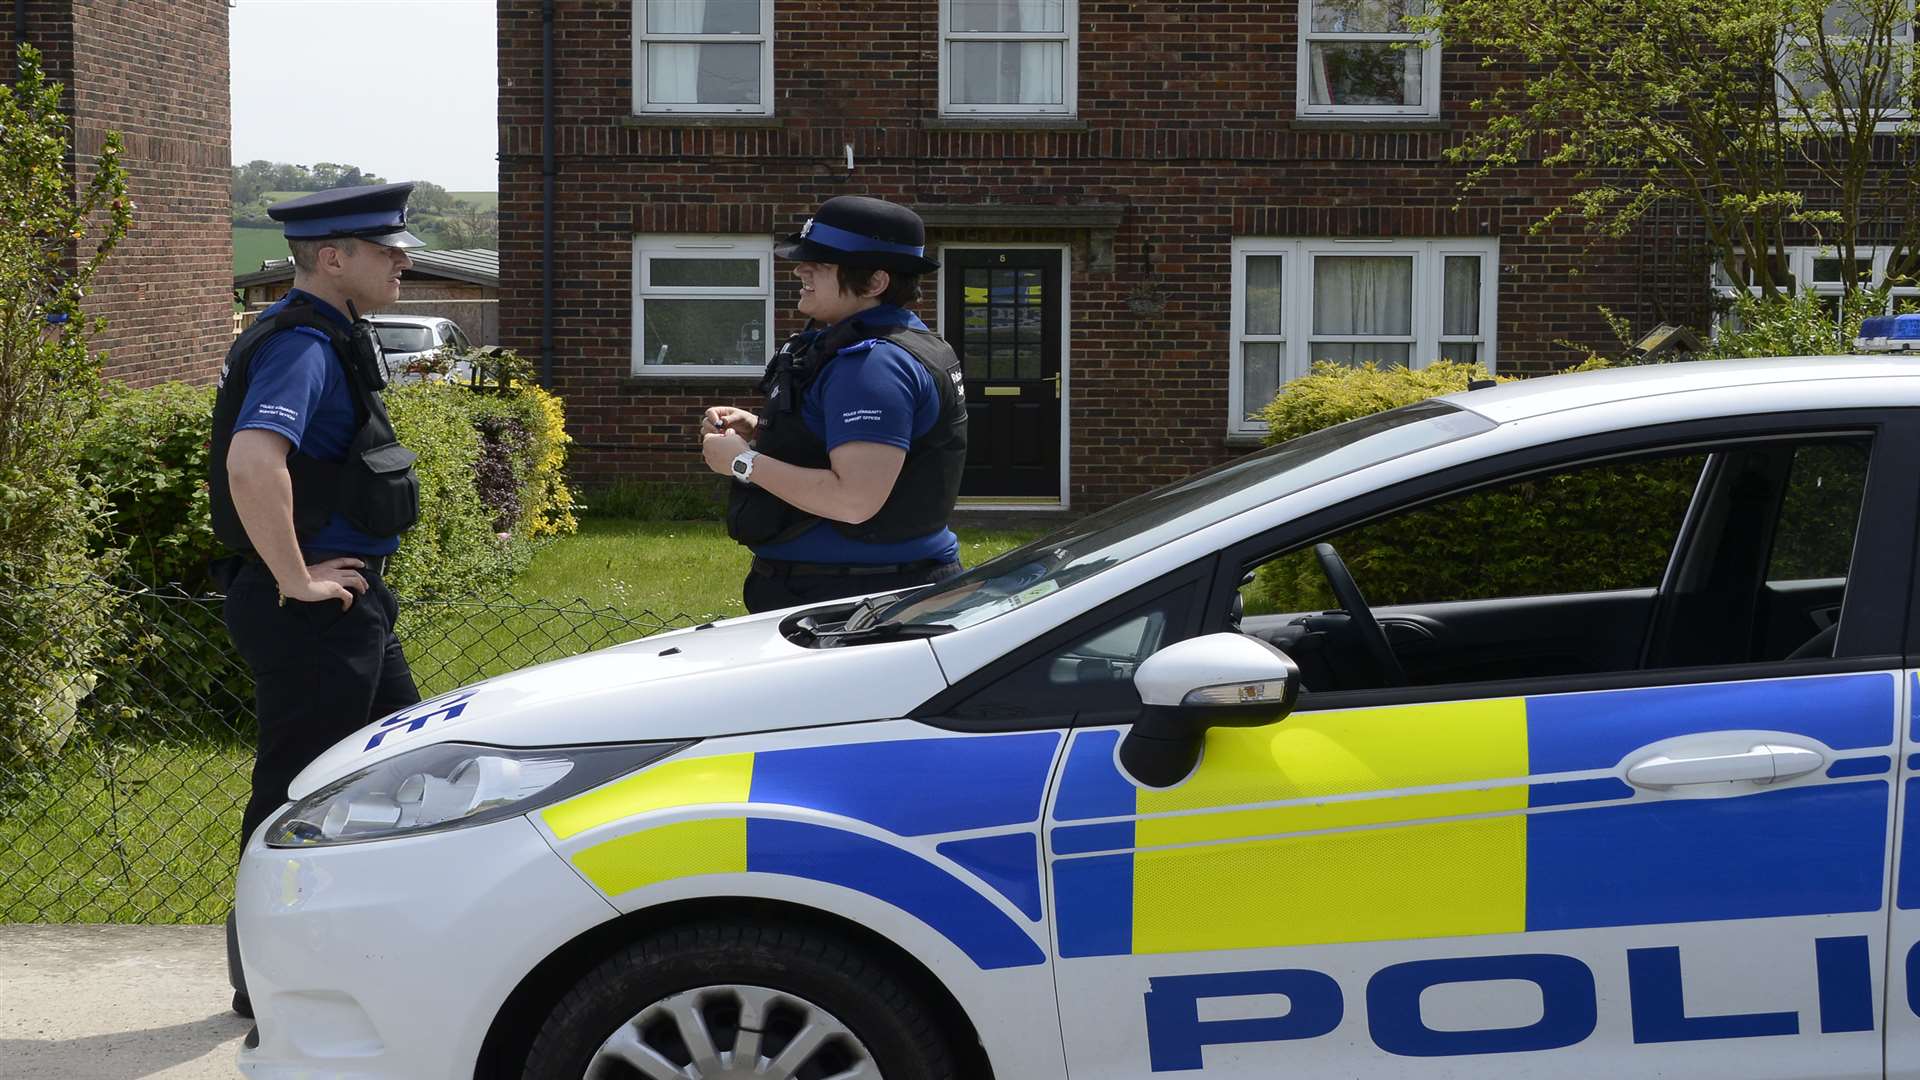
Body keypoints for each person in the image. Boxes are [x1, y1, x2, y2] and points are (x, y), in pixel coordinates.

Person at [207, 182, 427, 1018]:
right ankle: (263, 980)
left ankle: (363, 955)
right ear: (332, 259)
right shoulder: (300, 344)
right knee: (297, 796)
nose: (404, 259)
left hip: (350, 604)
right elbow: (252, 463)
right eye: (385, 249)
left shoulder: (330, 336)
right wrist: (297, 578)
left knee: (403, 775)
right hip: (309, 610)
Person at [701, 196, 970, 613]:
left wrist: (742, 463)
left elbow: (854, 500)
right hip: (866, 588)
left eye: (821, 264)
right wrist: (764, 429)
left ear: (875, 282)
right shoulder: (901, 345)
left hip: (854, 602)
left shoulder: (873, 365)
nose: (800, 270)